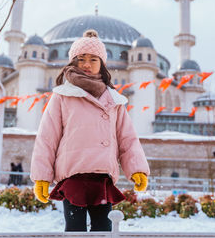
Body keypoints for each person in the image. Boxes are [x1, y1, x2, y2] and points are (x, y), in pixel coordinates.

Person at [30, 29, 150, 232]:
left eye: (93, 59)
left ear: (101, 64)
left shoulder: (114, 99)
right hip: (73, 176)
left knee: (103, 229)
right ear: (72, 62)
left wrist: (137, 169)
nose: (86, 64)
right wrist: (42, 176)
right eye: (81, 59)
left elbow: (127, 138)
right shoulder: (62, 96)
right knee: (75, 229)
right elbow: (47, 138)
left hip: (102, 177)